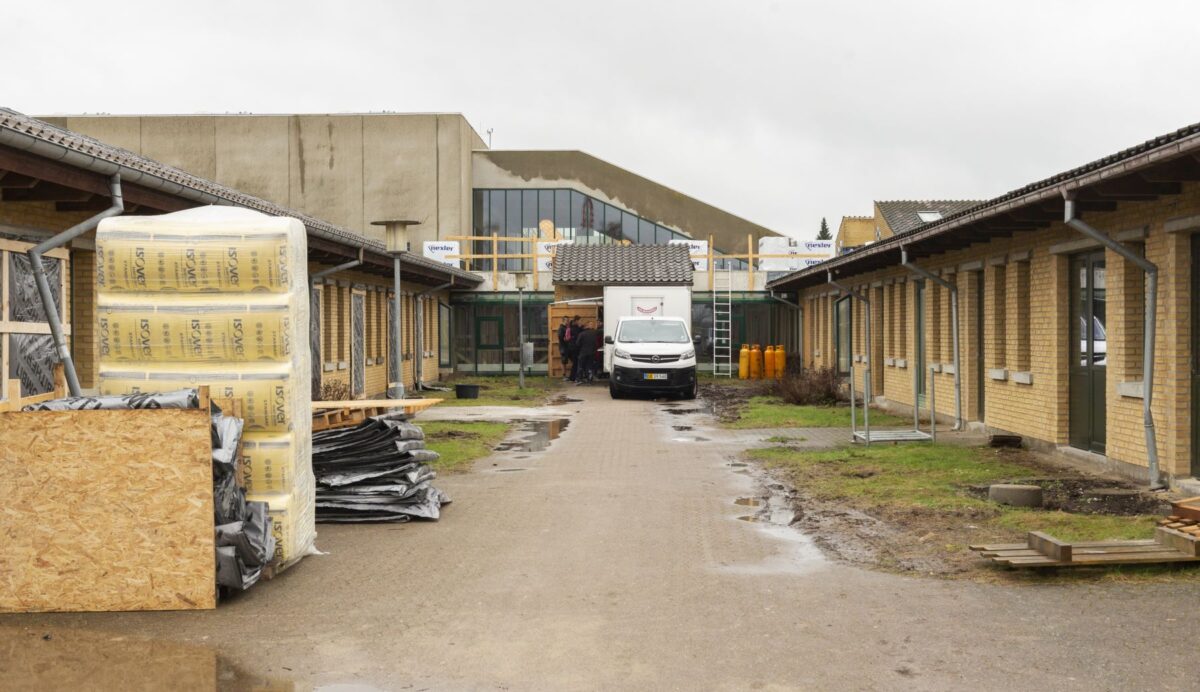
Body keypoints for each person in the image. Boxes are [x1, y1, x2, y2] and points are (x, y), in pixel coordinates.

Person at [574, 321, 599, 385]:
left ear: (585, 327)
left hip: (583, 352)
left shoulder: (582, 334)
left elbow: (577, 344)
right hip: (592, 353)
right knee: (589, 366)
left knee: (580, 366)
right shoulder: (594, 333)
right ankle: (589, 380)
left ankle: (579, 379)